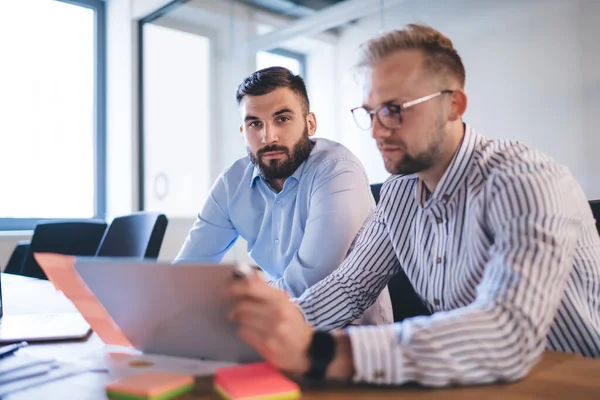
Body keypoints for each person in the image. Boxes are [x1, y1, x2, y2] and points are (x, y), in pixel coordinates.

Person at [227, 24, 600, 387]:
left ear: (454, 105)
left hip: (572, 382)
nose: (376, 131)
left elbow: (506, 330)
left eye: (394, 109)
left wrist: (326, 352)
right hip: (475, 384)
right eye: (371, 113)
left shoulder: (524, 180)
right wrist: (268, 328)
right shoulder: (398, 194)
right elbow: (348, 288)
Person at [176, 66, 392, 325]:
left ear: (309, 123)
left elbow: (309, 285)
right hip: (268, 328)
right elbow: (187, 272)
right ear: (243, 132)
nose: (269, 137)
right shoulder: (232, 183)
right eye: (255, 123)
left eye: (282, 119)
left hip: (348, 340)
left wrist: (229, 307)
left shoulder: (338, 170)